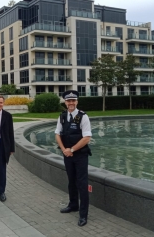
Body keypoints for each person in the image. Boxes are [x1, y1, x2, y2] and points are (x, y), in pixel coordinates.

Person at [55, 90, 92, 227]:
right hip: (67, 155)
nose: (71, 103)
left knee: (82, 184)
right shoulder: (62, 116)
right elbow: (57, 134)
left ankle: (83, 214)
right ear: (65, 102)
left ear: (77, 102)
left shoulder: (83, 117)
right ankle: (73, 205)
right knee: (71, 181)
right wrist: (64, 149)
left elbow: (87, 138)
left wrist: (72, 149)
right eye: (68, 101)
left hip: (80, 155)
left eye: (73, 101)